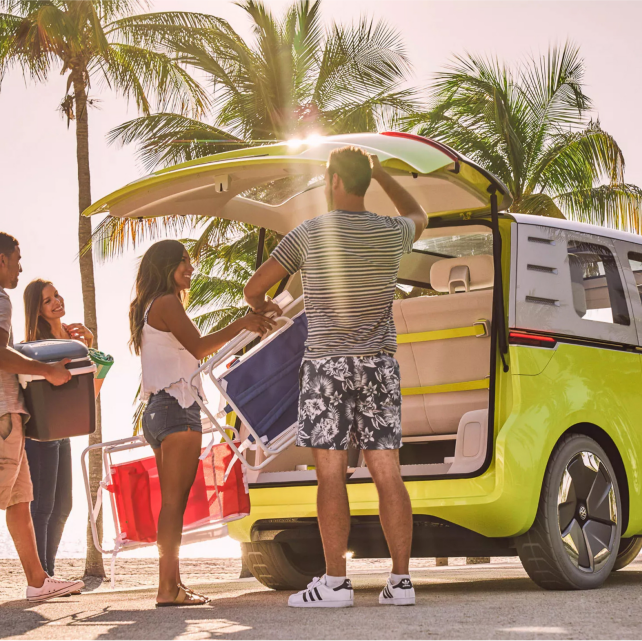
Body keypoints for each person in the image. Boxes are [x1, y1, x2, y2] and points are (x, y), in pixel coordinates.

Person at [244, 147, 428, 608]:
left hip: (326, 365)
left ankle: (335, 585)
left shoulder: (309, 234)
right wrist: (384, 173)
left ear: (333, 181)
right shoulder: (391, 232)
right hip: (378, 363)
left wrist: (260, 310)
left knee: (330, 475)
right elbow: (419, 214)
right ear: (363, 181)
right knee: (388, 473)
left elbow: (253, 287)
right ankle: (401, 582)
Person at [129, 239, 279, 607]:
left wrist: (244, 328)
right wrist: (242, 322)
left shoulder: (151, 306)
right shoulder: (165, 303)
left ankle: (173, 586)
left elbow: (193, 351)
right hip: (177, 409)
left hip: (159, 410)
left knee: (172, 504)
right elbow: (199, 347)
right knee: (174, 504)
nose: (190, 269)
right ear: (166, 265)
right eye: (183, 262)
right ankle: (167, 588)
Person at [0, 232, 84, 601]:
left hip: (11, 412)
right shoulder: (0, 298)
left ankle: (38, 582)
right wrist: (47, 371)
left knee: (20, 501)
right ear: (2, 260)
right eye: (17, 258)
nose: (21, 266)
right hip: (3, 414)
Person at [22, 279, 94, 578]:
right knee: (43, 506)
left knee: (64, 505)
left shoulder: (71, 338)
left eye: (57, 295)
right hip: (40, 432)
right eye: (47, 300)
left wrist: (88, 343)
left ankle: (48, 573)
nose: (56, 302)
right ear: (37, 310)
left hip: (63, 429)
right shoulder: (34, 344)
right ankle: (43, 576)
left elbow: (86, 380)